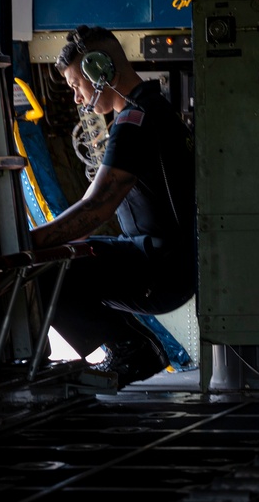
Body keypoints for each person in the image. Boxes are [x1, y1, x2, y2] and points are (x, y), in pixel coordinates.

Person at [30, 25, 197, 389]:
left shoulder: (135, 122)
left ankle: (133, 348)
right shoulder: (150, 111)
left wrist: (28, 244)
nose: (77, 98)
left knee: (43, 275)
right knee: (67, 259)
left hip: (161, 269)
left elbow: (96, 209)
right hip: (165, 260)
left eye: (77, 85)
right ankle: (136, 345)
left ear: (99, 70)